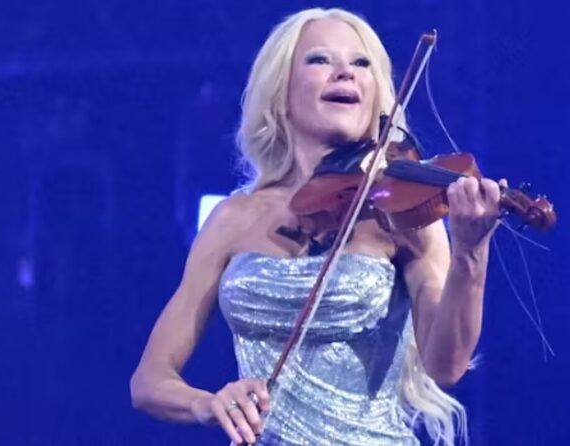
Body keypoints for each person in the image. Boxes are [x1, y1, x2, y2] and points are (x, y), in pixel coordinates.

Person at [130, 7, 502, 446]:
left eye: (361, 63)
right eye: (320, 59)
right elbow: (149, 381)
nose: (346, 72)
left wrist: (470, 253)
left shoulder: (401, 212)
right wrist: (208, 404)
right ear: (281, 91)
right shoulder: (232, 218)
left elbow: (446, 365)